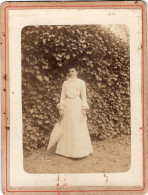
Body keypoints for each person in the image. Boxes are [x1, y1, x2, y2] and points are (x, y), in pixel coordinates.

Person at [56, 61, 93, 158]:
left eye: (73, 71)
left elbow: (84, 97)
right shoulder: (65, 83)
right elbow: (62, 97)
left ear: (77, 72)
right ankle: (66, 151)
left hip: (77, 105)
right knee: (68, 127)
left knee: (77, 127)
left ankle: (79, 152)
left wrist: (84, 108)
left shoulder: (81, 83)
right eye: (70, 71)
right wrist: (61, 107)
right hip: (68, 106)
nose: (71, 73)